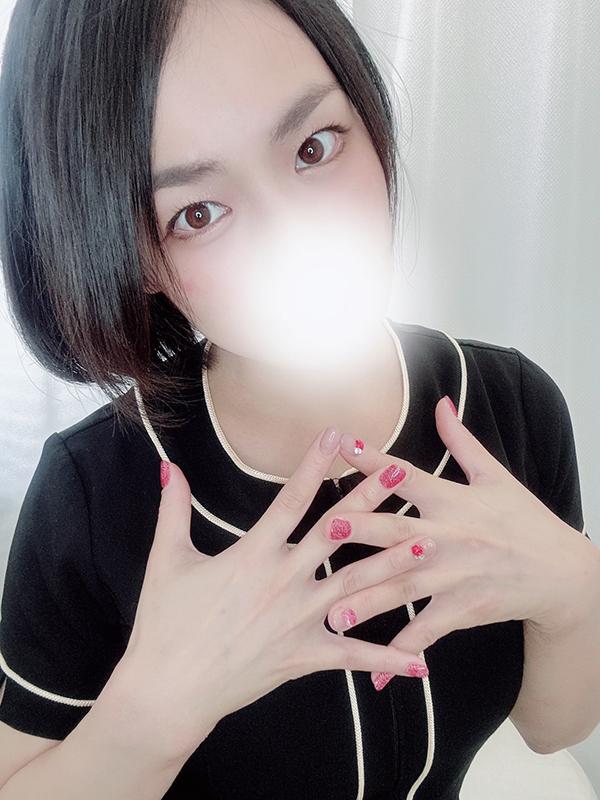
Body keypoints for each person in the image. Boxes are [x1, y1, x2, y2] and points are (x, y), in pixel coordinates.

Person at [0, 1, 594, 798]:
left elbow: (551, 727)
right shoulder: (92, 490)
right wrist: (157, 710)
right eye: (198, 213)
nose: (295, 235)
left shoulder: (512, 407)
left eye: (315, 147)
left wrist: (574, 586)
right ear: (135, 259)